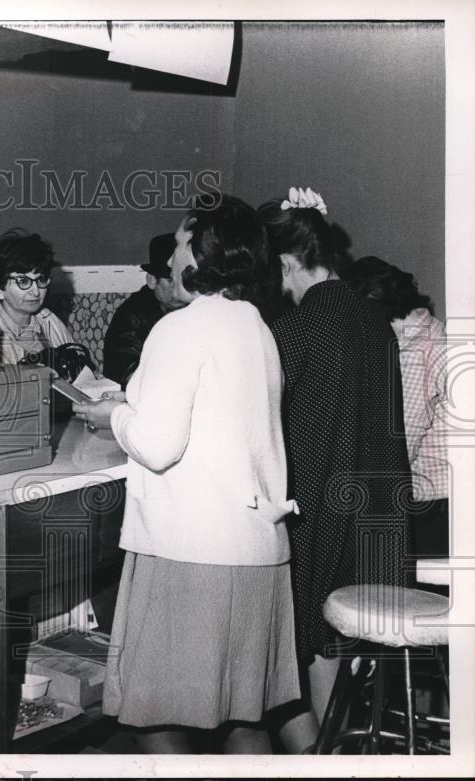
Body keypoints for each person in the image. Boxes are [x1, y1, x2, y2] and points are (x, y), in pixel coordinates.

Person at [73, 195, 300, 754]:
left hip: (192, 554)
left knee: (152, 716)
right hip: (258, 554)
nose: (172, 256)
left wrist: (114, 415)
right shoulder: (257, 327)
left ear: (202, 252)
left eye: (178, 243)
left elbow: (155, 445)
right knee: (245, 718)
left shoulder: (179, 328)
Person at [258, 188, 412, 751]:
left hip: (322, 519)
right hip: (379, 523)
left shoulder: (295, 329)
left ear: (284, 262)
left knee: (311, 643)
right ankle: (339, 748)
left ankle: (326, 755)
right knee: (341, 653)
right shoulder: (372, 317)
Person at [346, 256, 450, 559]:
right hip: (442, 501)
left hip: (428, 505)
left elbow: (402, 445)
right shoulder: (431, 331)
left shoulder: (414, 352)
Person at [102, 231, 186, 389]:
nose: (179, 290)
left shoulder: (194, 308)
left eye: (184, 281)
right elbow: (125, 372)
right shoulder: (131, 316)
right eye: (170, 280)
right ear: (152, 281)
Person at [0, 228, 72, 366]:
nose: (36, 292)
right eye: (23, 281)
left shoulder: (50, 322)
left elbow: (82, 375)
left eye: (41, 279)